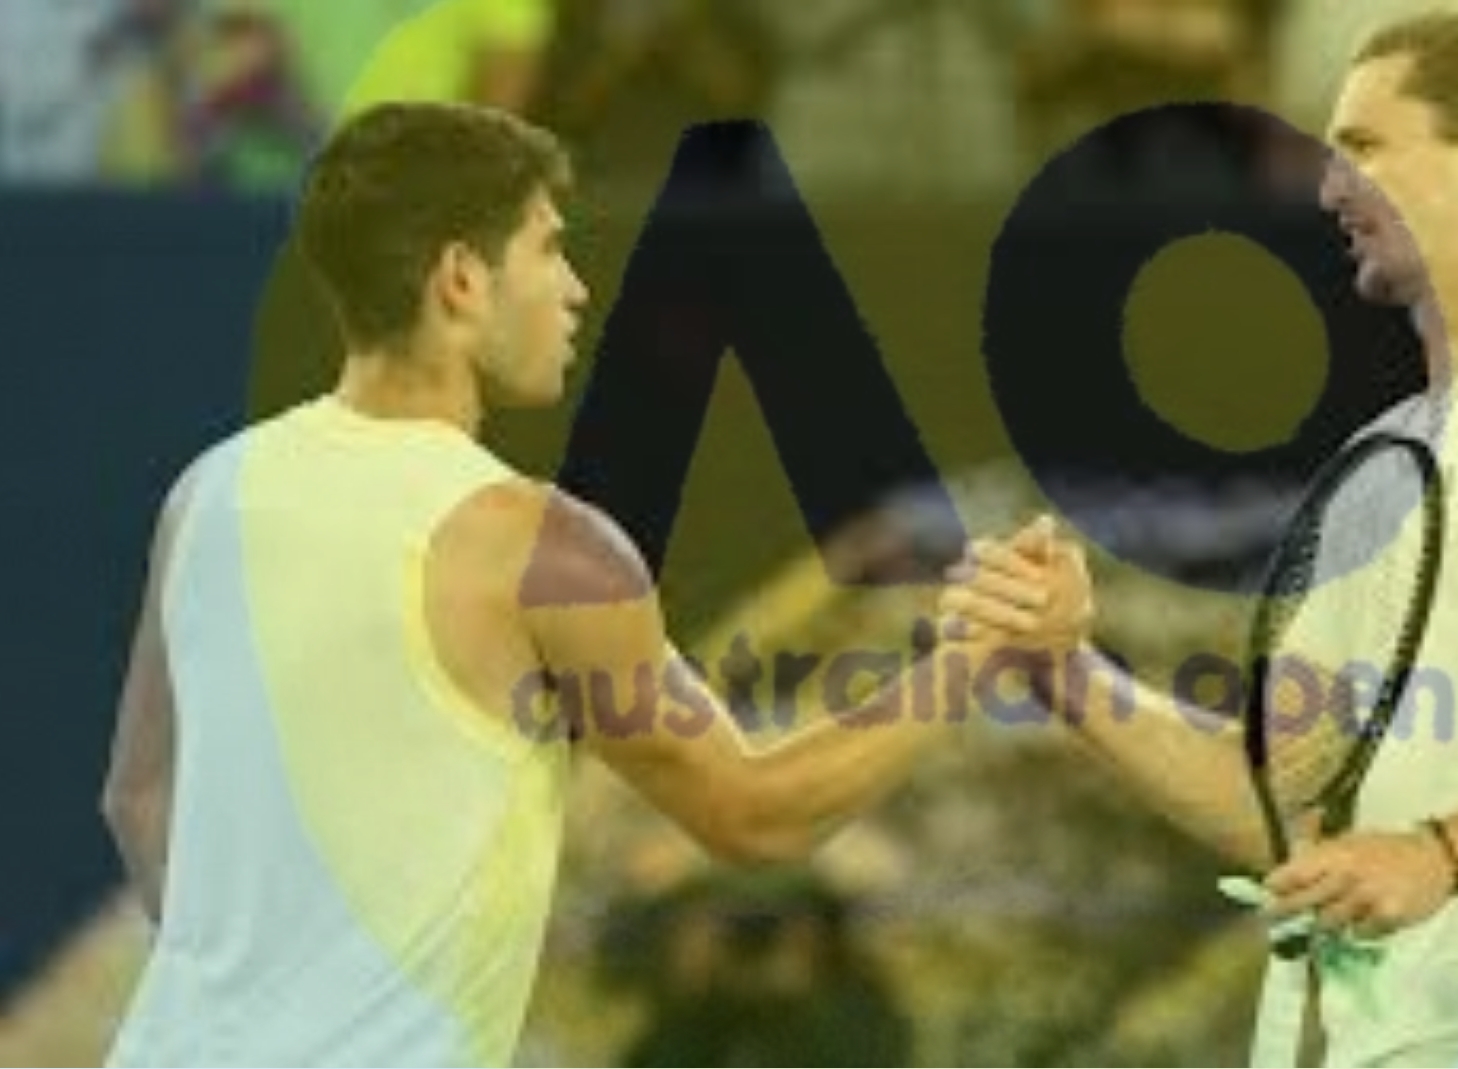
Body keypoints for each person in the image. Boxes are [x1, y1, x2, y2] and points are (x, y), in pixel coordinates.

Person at [97, 100, 1009, 1067]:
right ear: (460, 279)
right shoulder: (541, 548)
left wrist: (256, 985)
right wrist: (976, 652)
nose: (574, 288)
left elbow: (139, 796)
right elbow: (756, 812)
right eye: (546, 249)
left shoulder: (211, 491)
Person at [945, 6, 1458, 1067]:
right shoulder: (1383, 457)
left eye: (1365, 147)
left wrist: (1440, 854)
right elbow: (1281, 810)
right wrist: (1066, 670)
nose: (1331, 187)